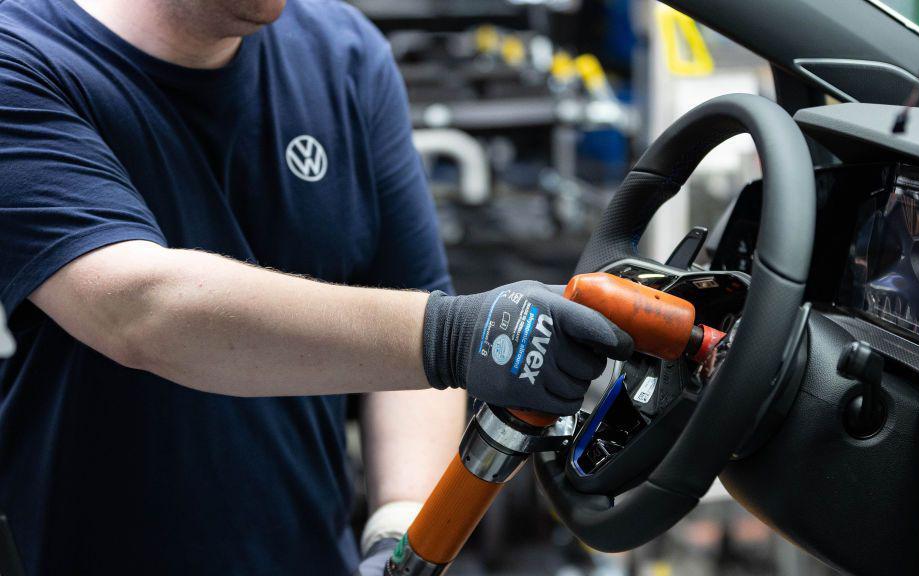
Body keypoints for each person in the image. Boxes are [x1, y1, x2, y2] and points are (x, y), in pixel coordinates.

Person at [0, 0, 633, 574]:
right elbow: (141, 309)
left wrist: (399, 536)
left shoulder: (344, 54)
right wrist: (463, 334)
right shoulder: (23, 57)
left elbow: (413, 321)